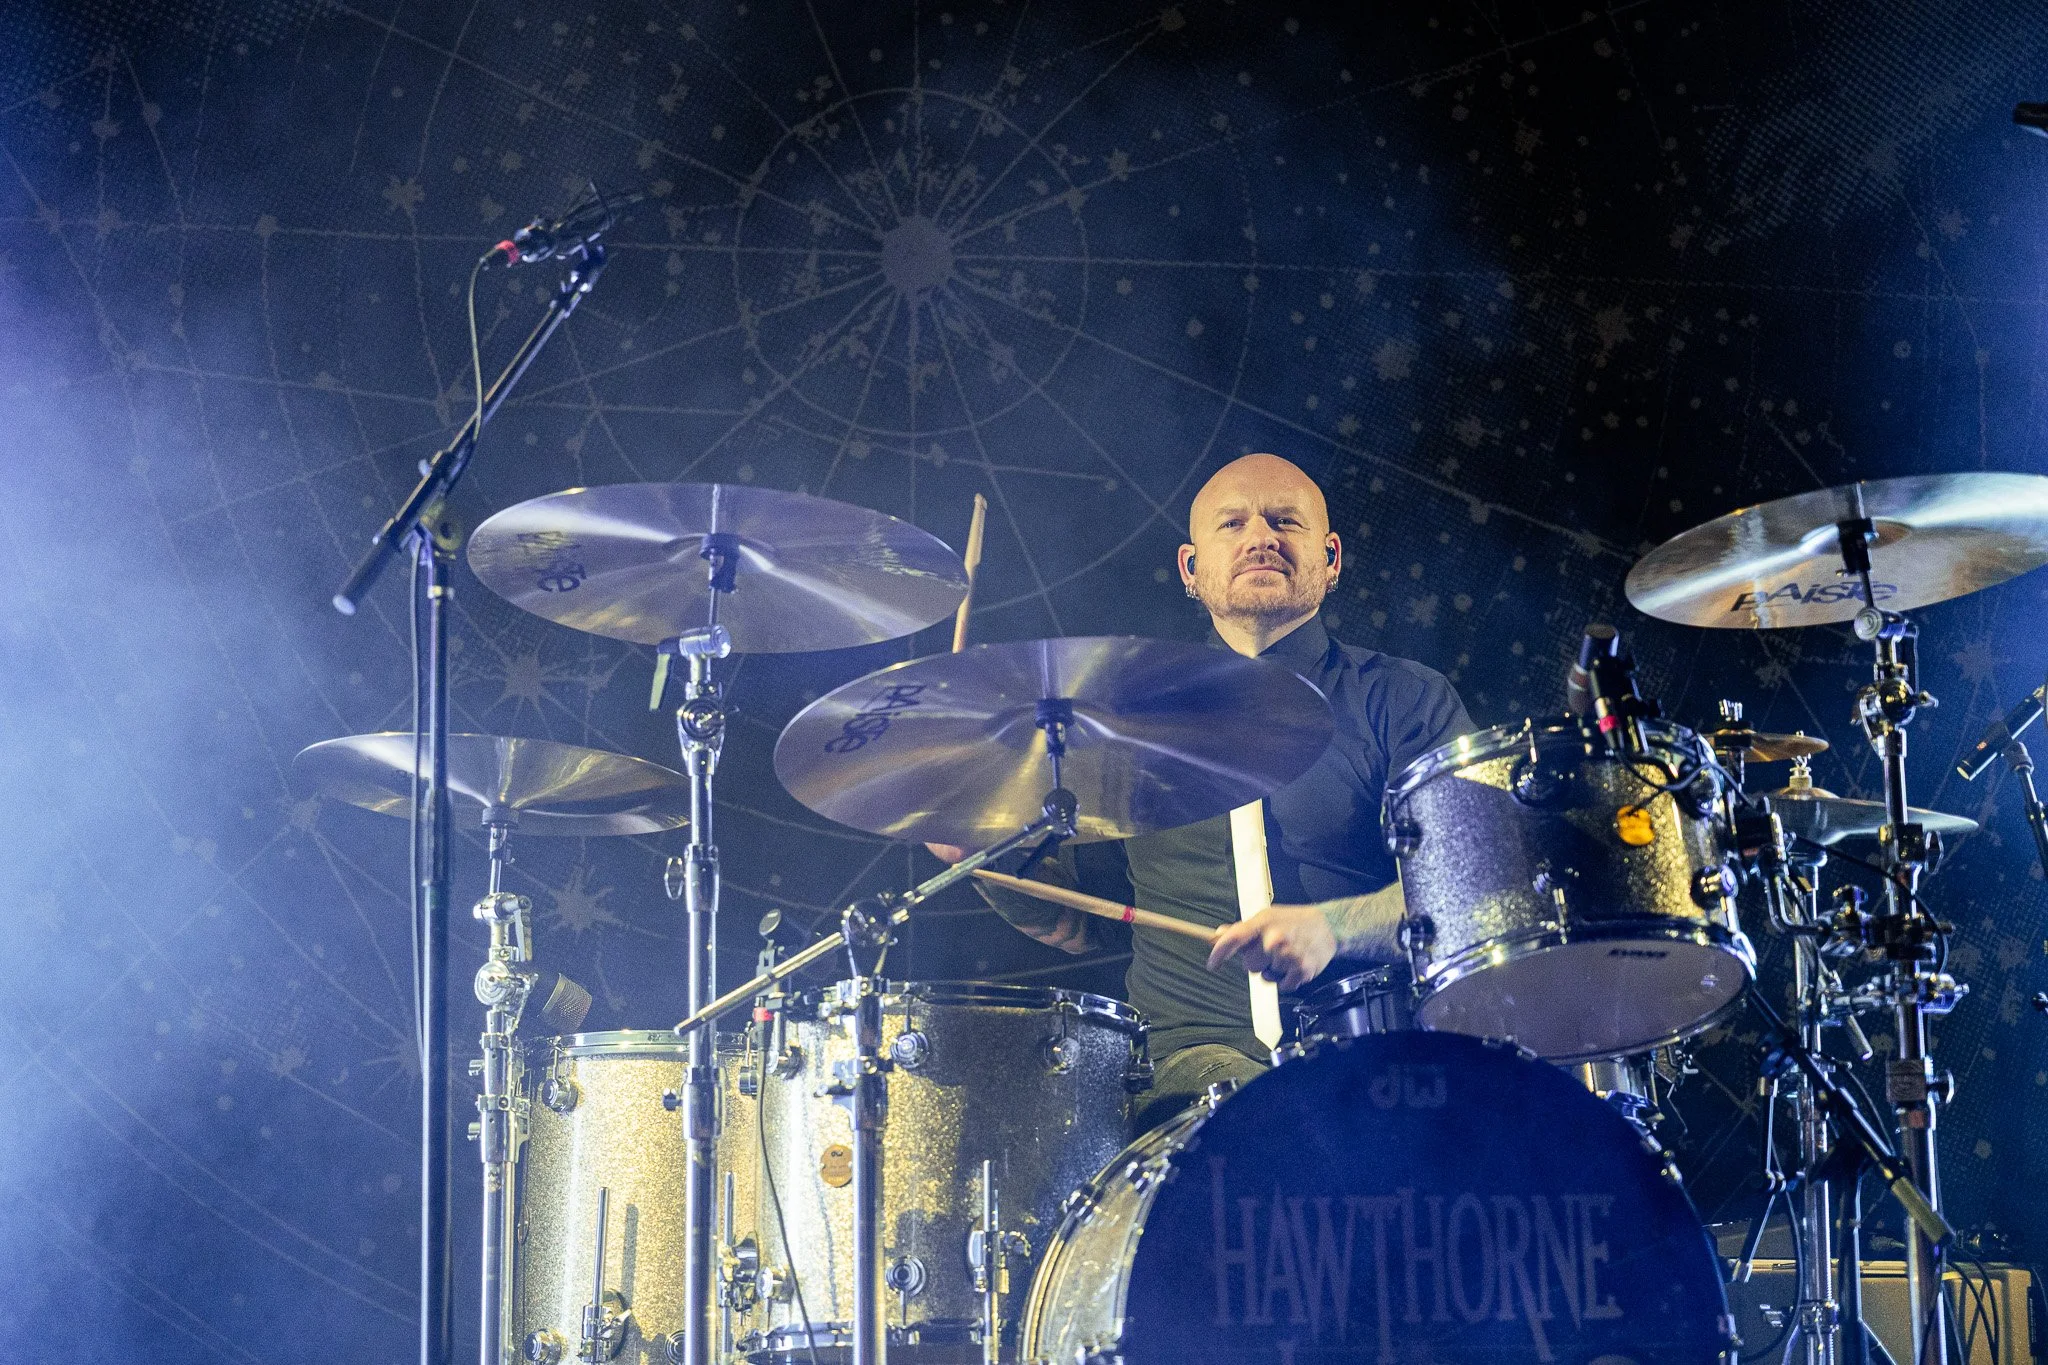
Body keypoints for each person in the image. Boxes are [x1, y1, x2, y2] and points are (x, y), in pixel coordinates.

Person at [932, 453, 1473, 1121]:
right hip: (1189, 1073)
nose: (1260, 537)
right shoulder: (1127, 723)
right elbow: (1084, 922)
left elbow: (1475, 885)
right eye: (1233, 523)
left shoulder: (1403, 698)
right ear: (1192, 569)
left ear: (1331, 558)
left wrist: (1336, 927)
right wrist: (984, 859)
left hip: (1387, 1060)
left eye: (1284, 521)